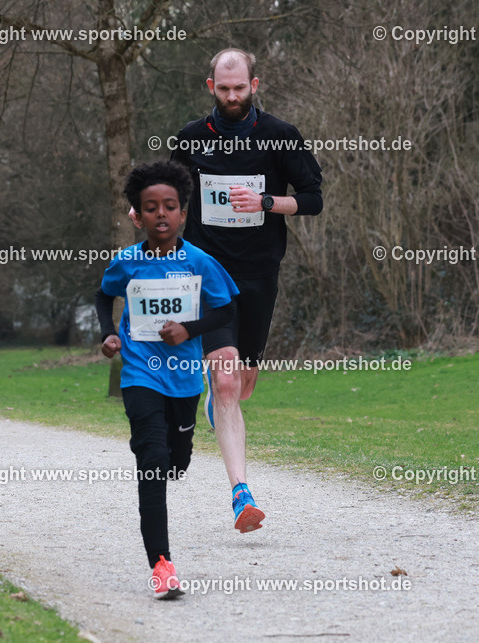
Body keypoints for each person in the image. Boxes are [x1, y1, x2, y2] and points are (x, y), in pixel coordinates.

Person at [165, 48, 324, 532]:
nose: (232, 97)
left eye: (240, 88)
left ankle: (218, 403)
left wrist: (266, 202)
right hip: (208, 275)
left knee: (243, 382)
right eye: (223, 88)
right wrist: (147, 209)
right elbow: (171, 193)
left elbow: (313, 199)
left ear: (255, 85)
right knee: (227, 381)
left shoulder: (280, 136)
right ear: (210, 87)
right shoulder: (191, 138)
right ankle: (241, 494)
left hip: (258, 274)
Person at [97, 161, 239, 598]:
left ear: (183, 213)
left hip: (184, 380)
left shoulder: (199, 262)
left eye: (170, 206)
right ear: (138, 216)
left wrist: (189, 330)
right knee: (152, 460)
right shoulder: (127, 262)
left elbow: (226, 310)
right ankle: (161, 565)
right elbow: (103, 295)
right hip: (140, 374)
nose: (161, 213)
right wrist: (107, 334)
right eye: (151, 207)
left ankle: (169, 451)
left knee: (176, 461)